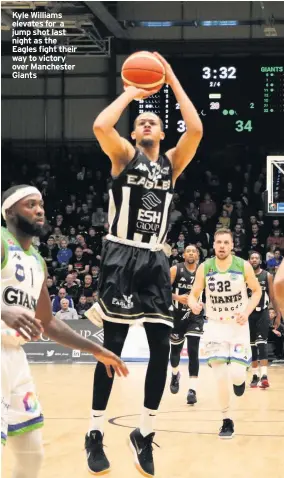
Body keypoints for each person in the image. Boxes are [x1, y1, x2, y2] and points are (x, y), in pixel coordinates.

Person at [85, 51, 203, 477]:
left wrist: (170, 78)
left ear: (161, 131)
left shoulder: (172, 163)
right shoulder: (123, 157)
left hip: (154, 260)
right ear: (134, 133)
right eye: (141, 121)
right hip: (120, 256)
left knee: (159, 350)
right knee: (110, 350)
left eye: (153, 120)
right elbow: (101, 125)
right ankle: (95, 431)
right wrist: (133, 92)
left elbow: (197, 128)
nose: (147, 123)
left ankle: (144, 433)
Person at [1, 185, 128, 478]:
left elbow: (47, 321)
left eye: (40, 204)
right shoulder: (2, 242)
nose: (39, 209)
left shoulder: (37, 261)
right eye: (29, 204)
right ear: (9, 212)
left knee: (33, 452)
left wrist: (95, 349)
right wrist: (3, 311)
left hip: (15, 361)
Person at [188, 228, 261, 439]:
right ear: (214, 245)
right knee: (220, 376)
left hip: (238, 326)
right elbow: (193, 295)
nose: (221, 246)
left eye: (225, 243)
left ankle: (240, 382)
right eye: (218, 242)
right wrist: (194, 305)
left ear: (232, 245)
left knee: (237, 374)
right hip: (214, 326)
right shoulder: (205, 267)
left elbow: (256, 291)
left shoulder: (243, 265)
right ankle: (226, 419)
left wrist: (247, 312)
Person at [169, 245, 204, 405]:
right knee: (175, 352)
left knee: (193, 351)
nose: (191, 253)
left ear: (197, 255)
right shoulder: (175, 269)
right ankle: (175, 374)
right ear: (184, 255)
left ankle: (192, 389)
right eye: (188, 251)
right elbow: (162, 289)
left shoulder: (202, 271)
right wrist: (177, 297)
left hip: (194, 315)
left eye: (193, 251)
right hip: (177, 315)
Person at [248, 252, 281, 388]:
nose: (254, 260)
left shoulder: (267, 275)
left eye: (257, 258)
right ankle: (255, 375)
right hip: (249, 314)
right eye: (252, 258)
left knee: (262, 343)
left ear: (260, 260)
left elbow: (273, 297)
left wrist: (278, 314)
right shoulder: (245, 277)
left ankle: (264, 375)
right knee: (252, 346)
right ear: (249, 261)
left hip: (263, 312)